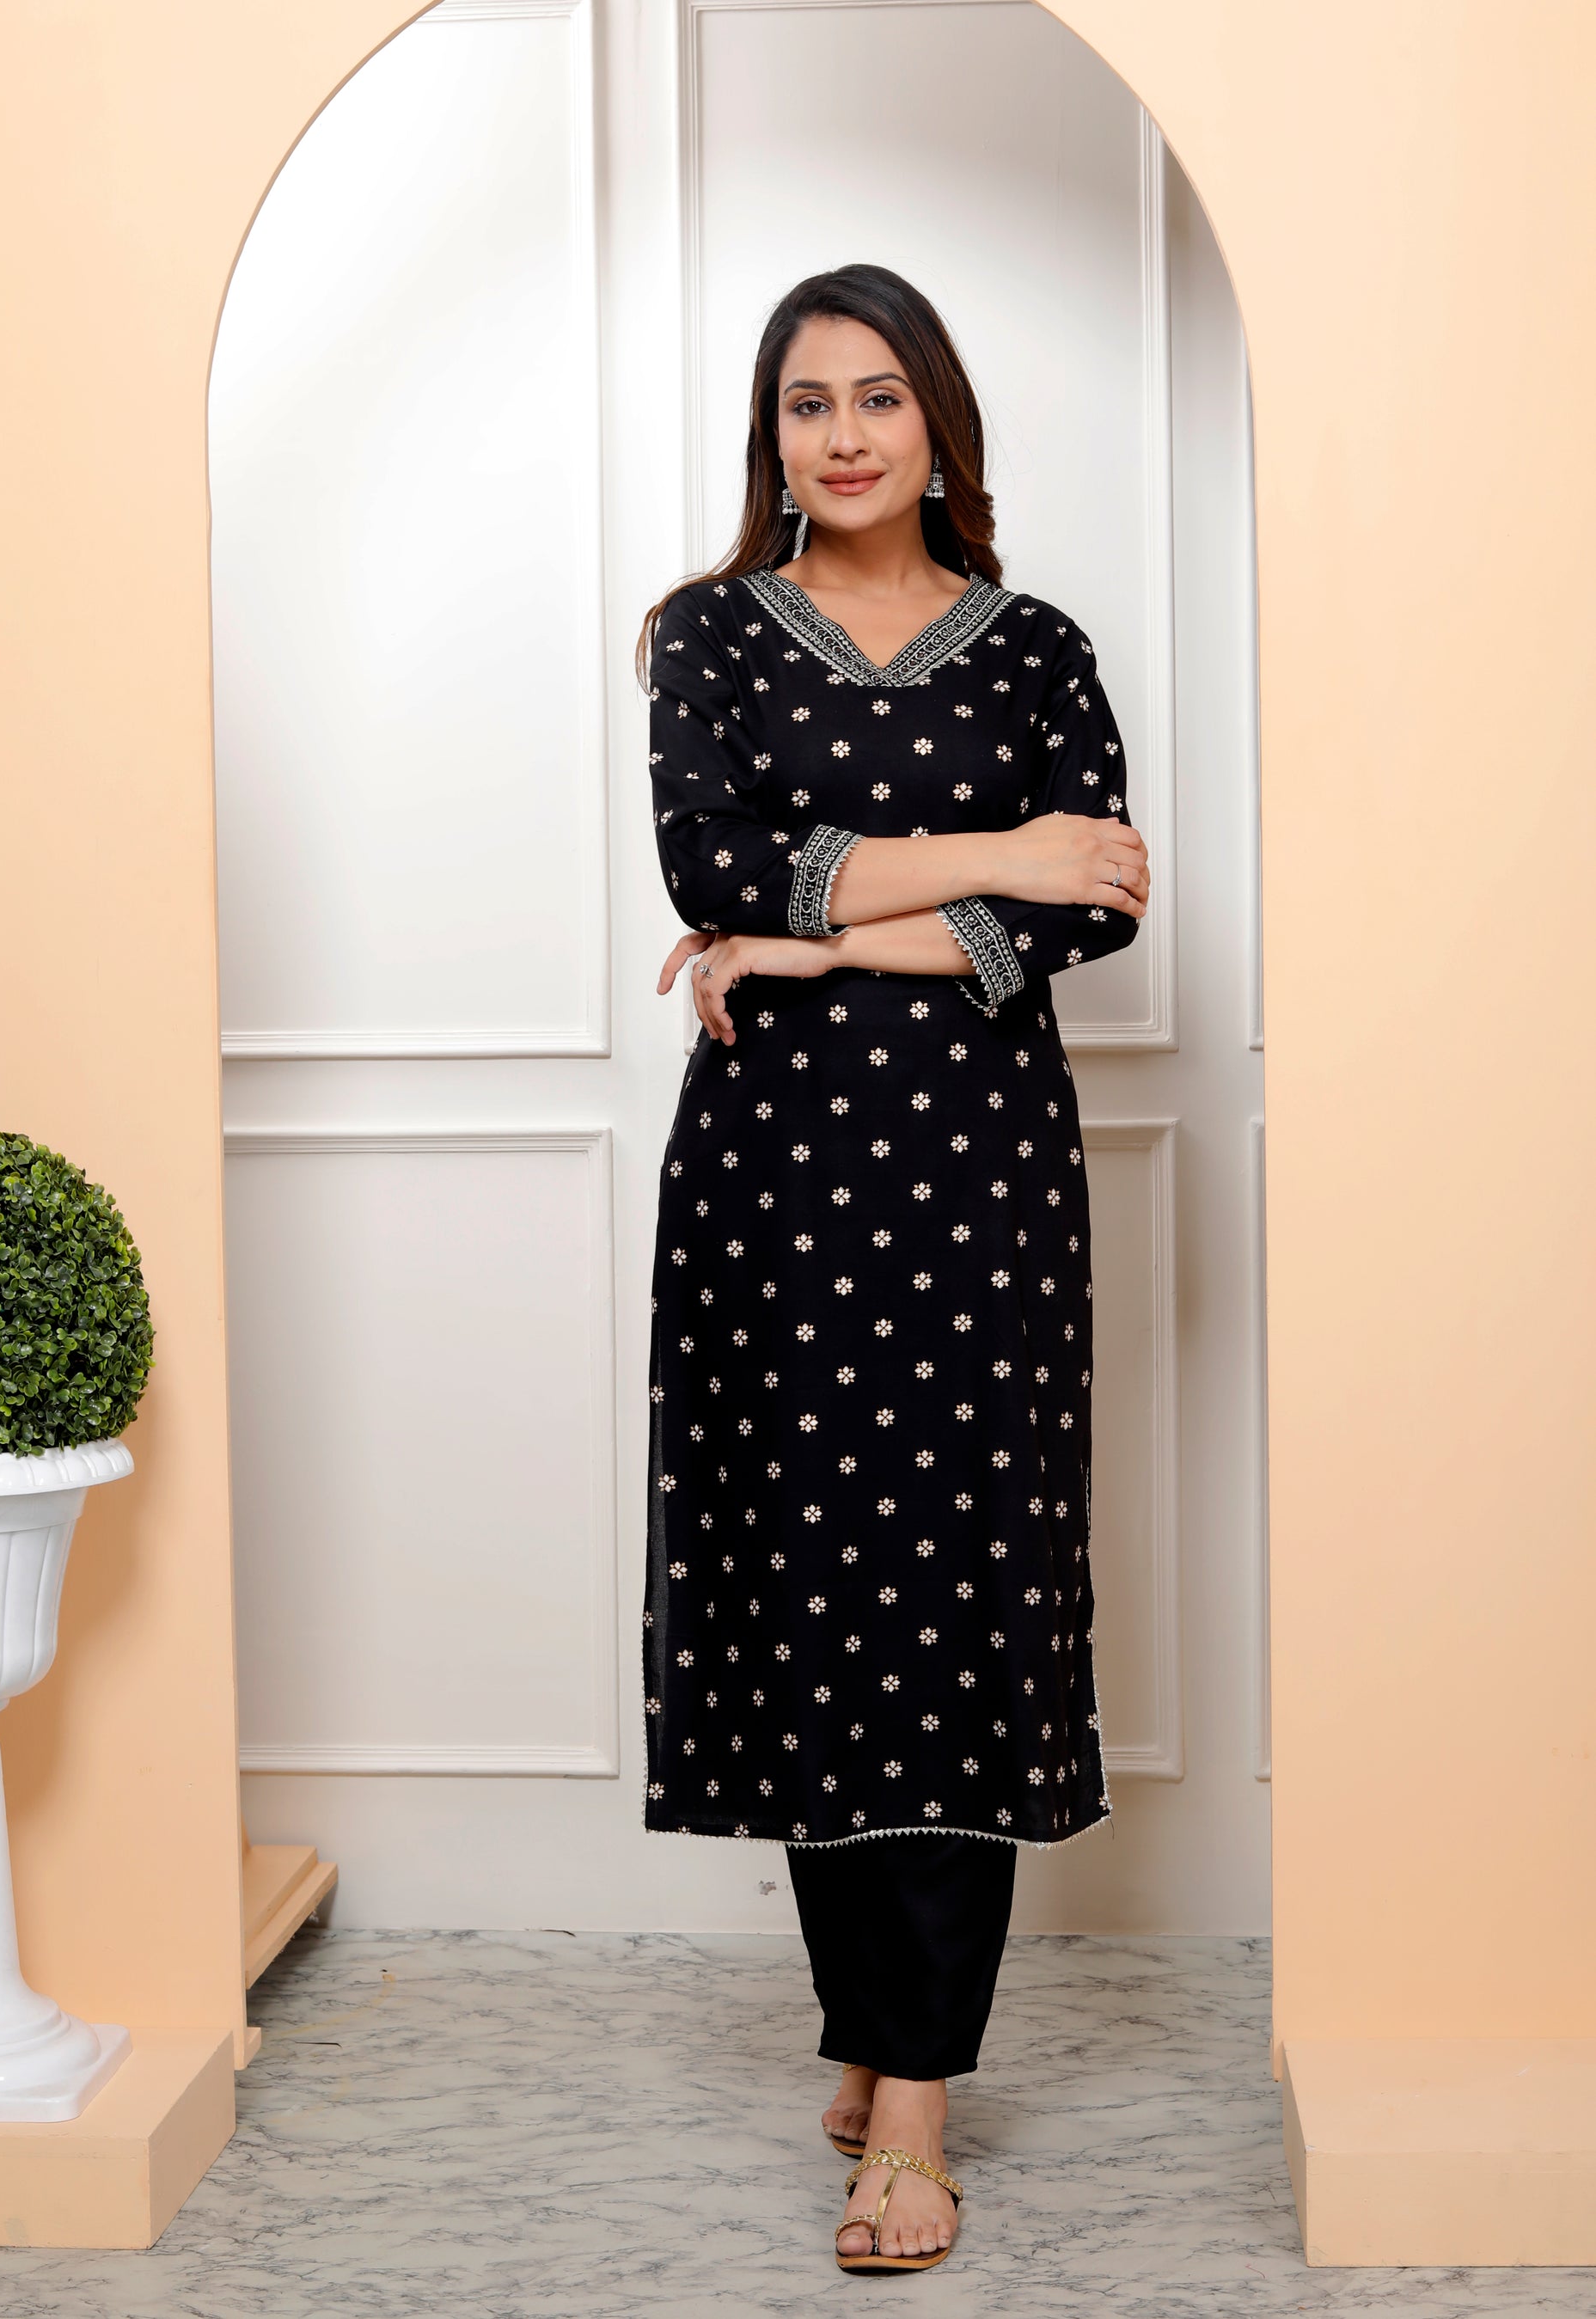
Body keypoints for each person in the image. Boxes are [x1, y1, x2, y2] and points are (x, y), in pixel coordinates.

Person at [638, 263, 1150, 2276]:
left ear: (937, 421)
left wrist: (820, 934)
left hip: (978, 1183)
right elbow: (711, 864)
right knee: (805, 1588)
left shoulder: (1037, 647)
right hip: (772, 1182)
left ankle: (915, 2101)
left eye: (876, 397)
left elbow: (1098, 897)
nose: (841, 435)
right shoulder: (706, 634)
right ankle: (871, 2017)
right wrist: (995, 847)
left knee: (948, 1592)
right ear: (769, 440)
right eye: (805, 404)